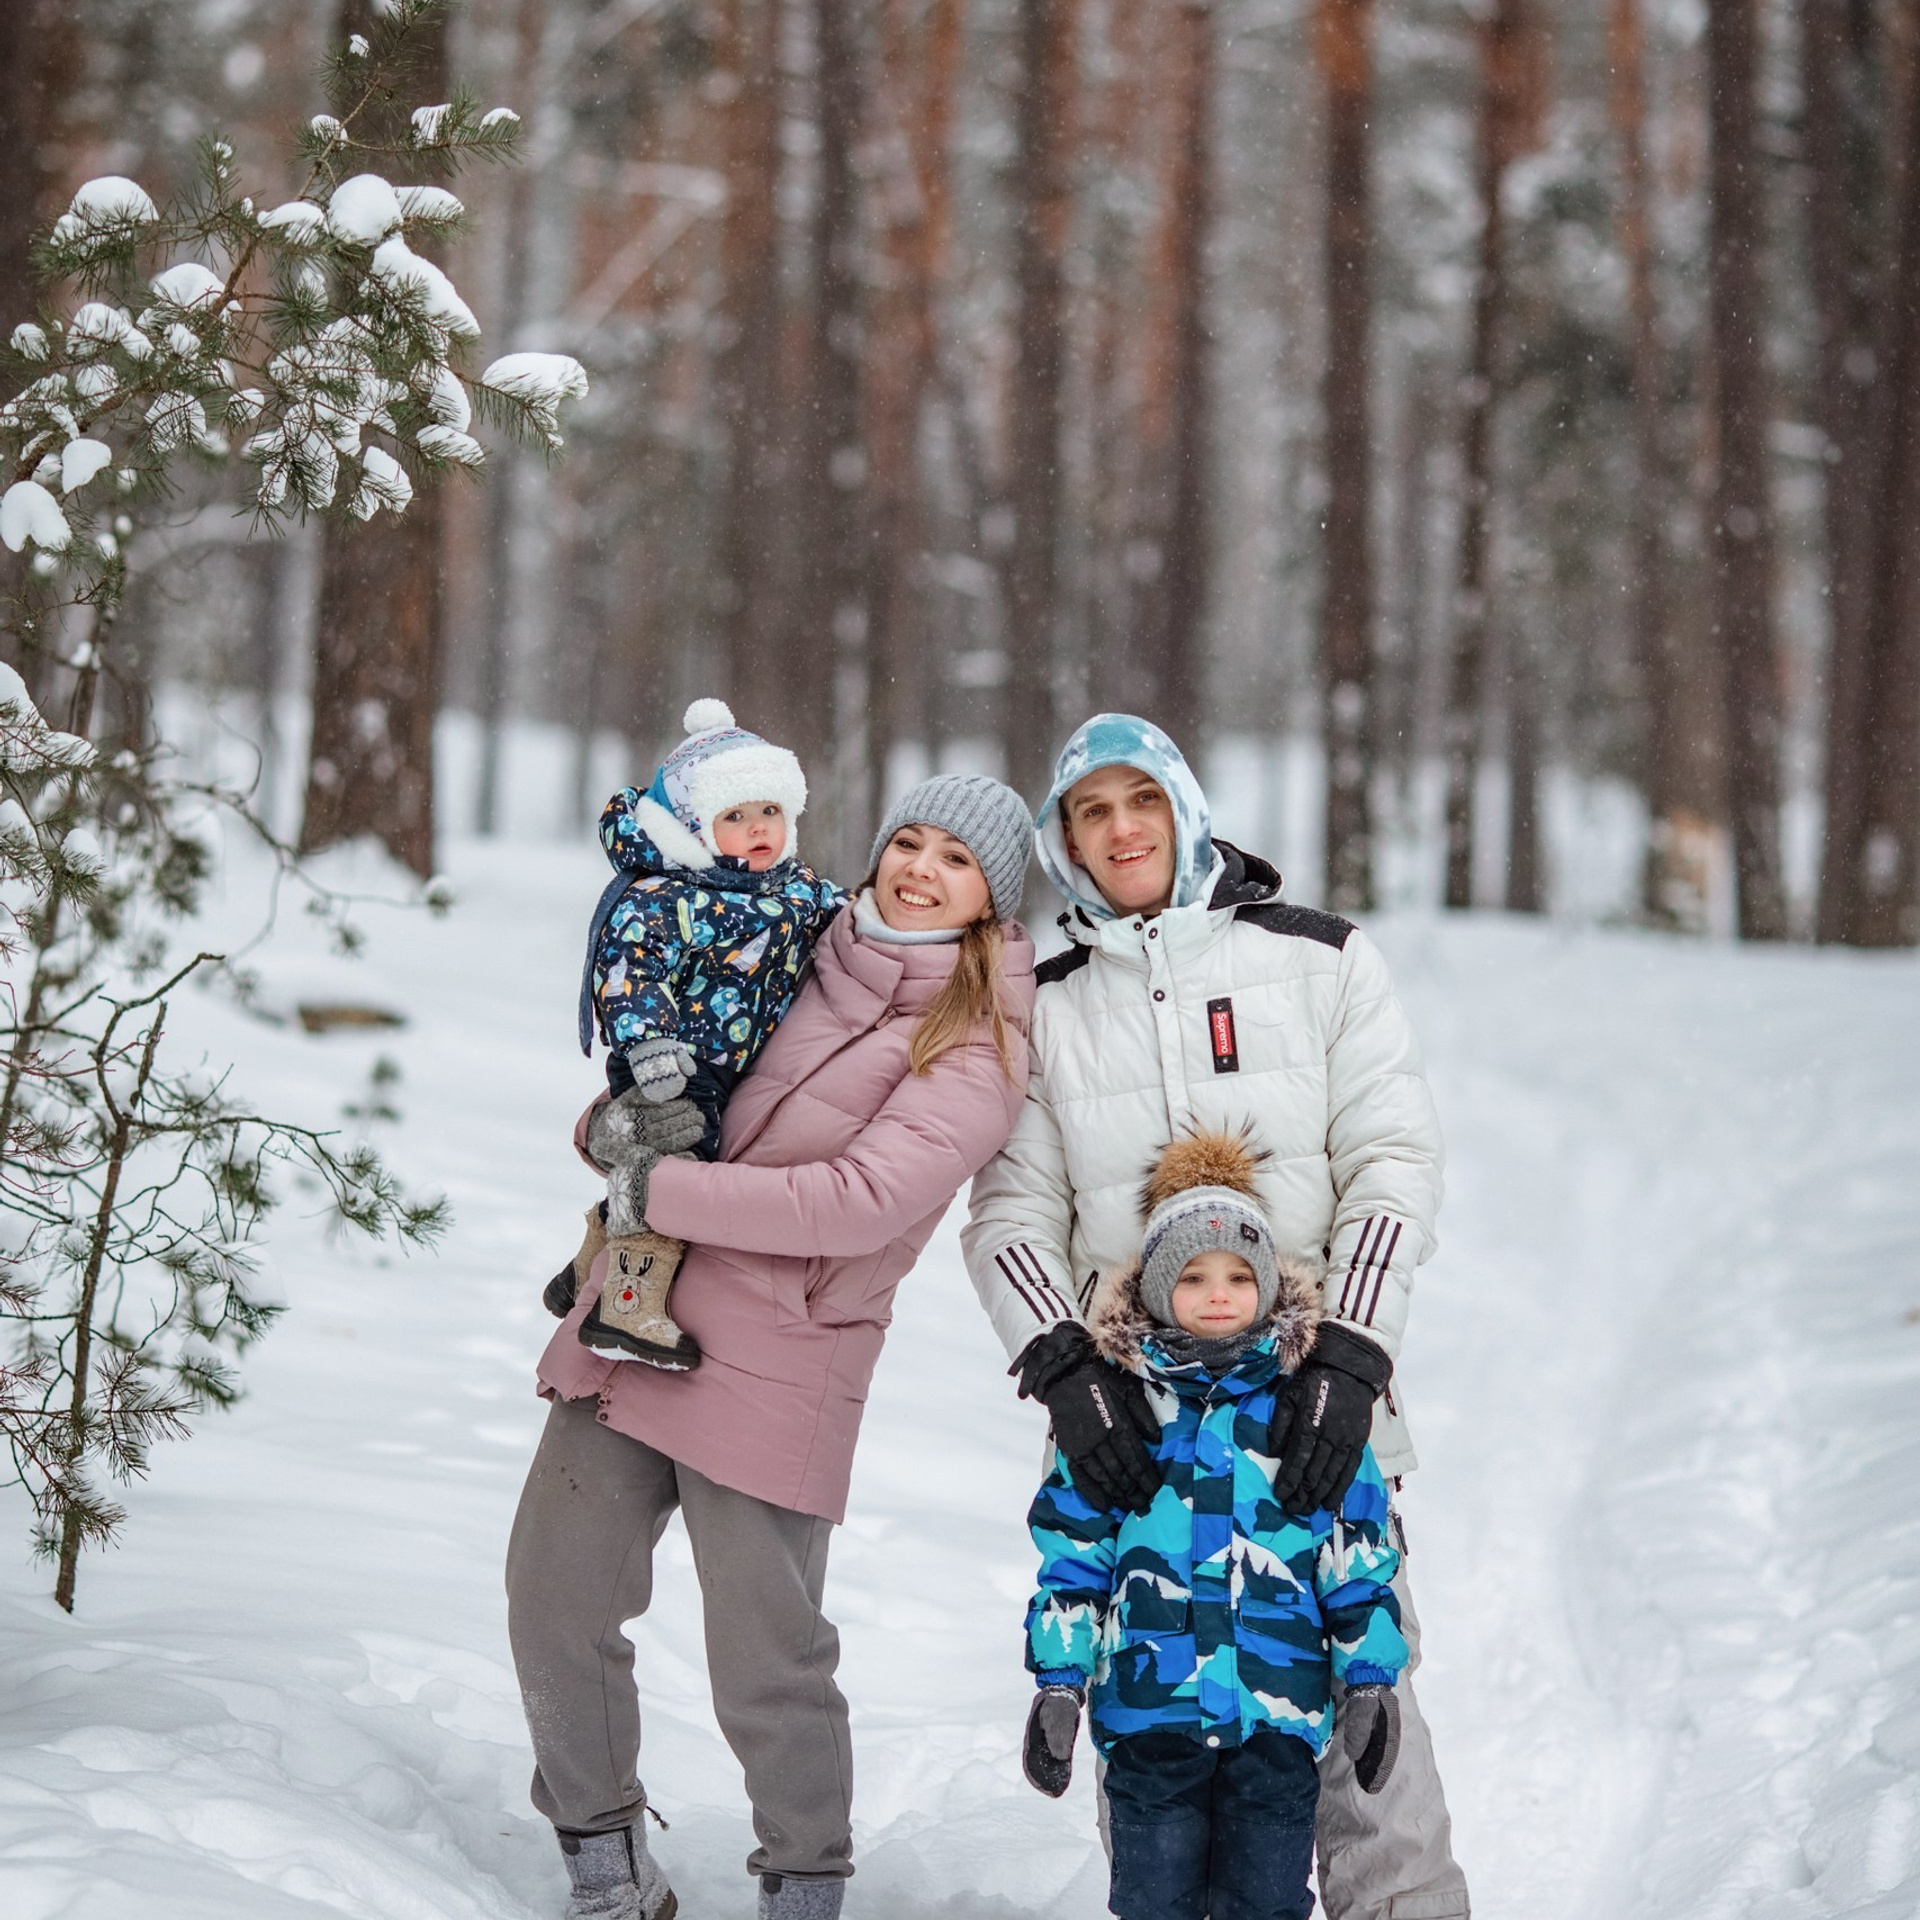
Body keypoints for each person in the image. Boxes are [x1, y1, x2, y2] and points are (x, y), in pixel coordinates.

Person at [963, 713, 1470, 1920]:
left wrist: (1347, 1358)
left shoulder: (1320, 957)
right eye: (1092, 810)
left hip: (1319, 1426)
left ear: (1187, 809)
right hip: (1132, 1448)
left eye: (1142, 800)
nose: (1121, 828)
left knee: (1368, 1755)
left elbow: (1395, 1164)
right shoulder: (1044, 1000)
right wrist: (1065, 1372)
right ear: (1064, 839)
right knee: (1162, 1796)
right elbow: (1008, 1213)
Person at [508, 774, 1039, 1920]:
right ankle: (602, 1869)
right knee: (554, 1597)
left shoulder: (980, 1040)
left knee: (766, 1663)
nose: (919, 868)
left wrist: (661, 1184)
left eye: (956, 859)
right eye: (909, 839)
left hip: (783, 1358)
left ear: (993, 899)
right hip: (634, 1318)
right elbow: (661, 1073)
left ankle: (803, 1888)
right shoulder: (785, 938)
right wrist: (616, 1128)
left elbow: (854, 1202)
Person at [1020, 1128, 1407, 1920]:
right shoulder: (1124, 1416)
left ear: (1268, 1285)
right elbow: (1073, 1562)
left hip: (1277, 1720)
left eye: (1239, 1274)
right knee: (1153, 1897)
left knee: (1265, 1900)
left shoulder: (1305, 1412)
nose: (1219, 1293)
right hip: (1148, 1720)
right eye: (1192, 1276)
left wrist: (1370, 1677)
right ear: (1158, 1290)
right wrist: (1058, 1683)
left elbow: (1355, 1556)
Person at [550, 698, 844, 1367]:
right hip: (666, 1057)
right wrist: (648, 1041)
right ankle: (627, 1310)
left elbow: (843, 917)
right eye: (734, 816)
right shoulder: (665, 896)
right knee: (674, 1169)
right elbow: (626, 971)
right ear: (694, 827)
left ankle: (589, 1264)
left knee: (672, 1164)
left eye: (770, 811)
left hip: (725, 1064)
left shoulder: (793, 889)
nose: (758, 828)